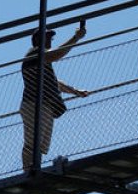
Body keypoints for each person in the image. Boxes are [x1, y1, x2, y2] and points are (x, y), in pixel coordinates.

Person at [20, 22, 91, 170]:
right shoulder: (34, 53)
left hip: (44, 105)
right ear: (38, 40)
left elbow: (54, 82)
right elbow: (57, 54)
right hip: (34, 104)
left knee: (39, 145)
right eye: (47, 37)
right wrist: (75, 38)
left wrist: (75, 91)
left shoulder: (41, 60)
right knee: (33, 143)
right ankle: (29, 170)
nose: (49, 41)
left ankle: (33, 168)